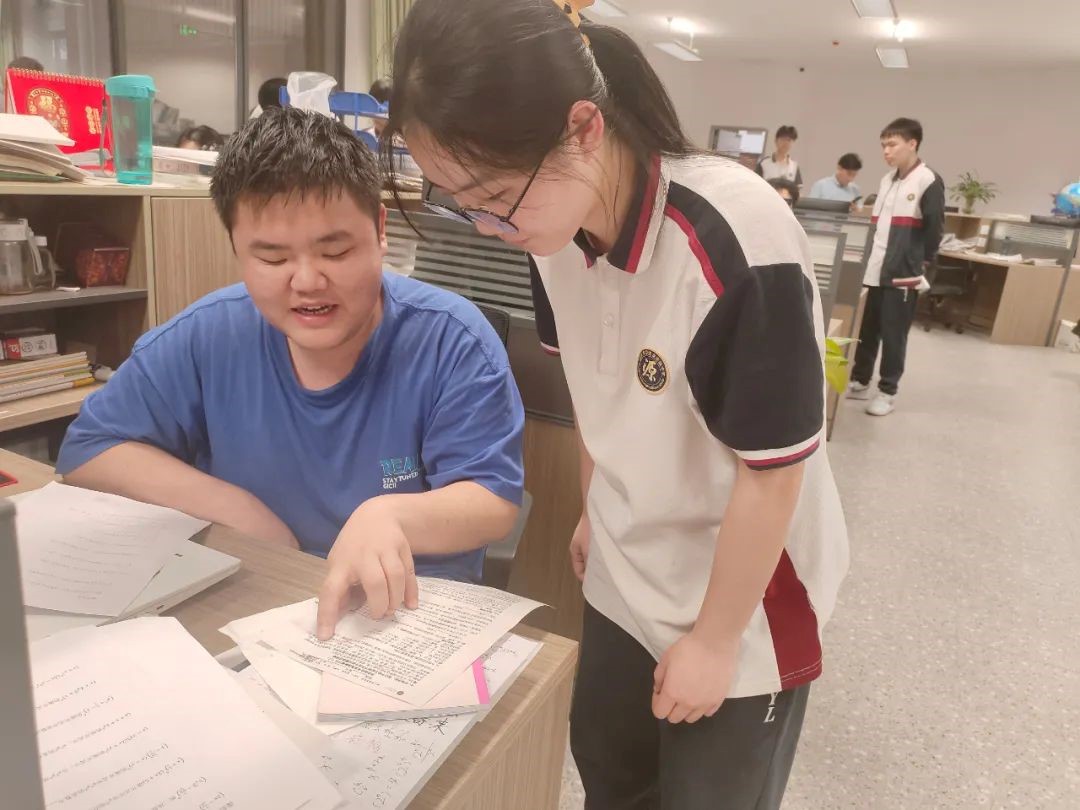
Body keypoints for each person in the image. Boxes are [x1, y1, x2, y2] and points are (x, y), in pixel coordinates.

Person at [384, 1, 848, 807]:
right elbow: (595, 386)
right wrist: (596, 507)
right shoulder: (545, 231)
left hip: (739, 598)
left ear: (584, 128)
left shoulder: (738, 241)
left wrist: (714, 642)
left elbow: (773, 473)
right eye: (460, 200)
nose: (486, 226)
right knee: (610, 774)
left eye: (494, 195)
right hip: (624, 570)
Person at [56, 108, 525, 635]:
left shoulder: (451, 340)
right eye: (273, 259)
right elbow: (90, 449)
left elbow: (493, 501)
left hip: (403, 613)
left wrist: (390, 515)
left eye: (335, 250)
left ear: (380, 230)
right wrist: (239, 510)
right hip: (258, 600)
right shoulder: (208, 334)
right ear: (237, 249)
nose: (306, 281)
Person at [848, 117, 945, 417]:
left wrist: (918, 264)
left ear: (912, 143)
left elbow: (934, 231)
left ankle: (887, 391)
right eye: (883, 145)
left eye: (892, 144)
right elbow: (878, 229)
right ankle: (860, 380)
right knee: (867, 330)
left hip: (903, 274)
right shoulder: (886, 180)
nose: (886, 151)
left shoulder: (928, 180)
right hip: (875, 270)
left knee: (894, 335)